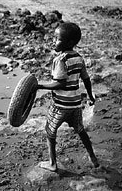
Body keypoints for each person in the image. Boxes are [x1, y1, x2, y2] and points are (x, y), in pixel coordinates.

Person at [37, 22, 99, 172]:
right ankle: (93, 157)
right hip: (75, 104)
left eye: (57, 39)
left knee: (50, 131)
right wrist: (90, 96)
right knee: (80, 130)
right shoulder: (78, 58)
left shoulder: (60, 60)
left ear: (70, 42)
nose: (53, 41)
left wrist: (40, 85)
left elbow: (60, 84)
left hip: (60, 106)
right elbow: (86, 78)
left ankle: (52, 163)